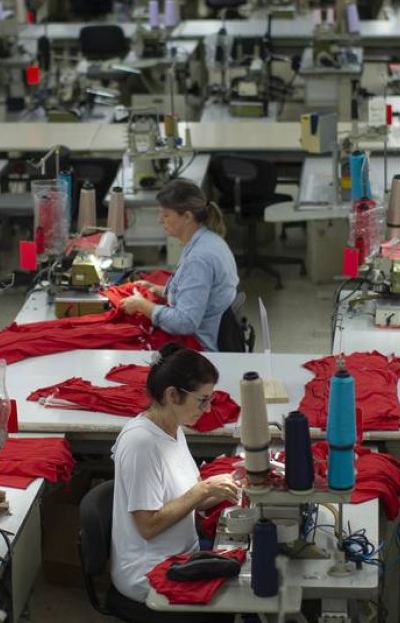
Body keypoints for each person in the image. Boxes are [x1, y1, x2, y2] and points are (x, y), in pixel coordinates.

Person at [110, 345, 240, 607]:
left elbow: (187, 500)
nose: (207, 408)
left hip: (181, 554)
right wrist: (203, 490)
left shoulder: (173, 429)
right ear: (172, 395)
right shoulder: (141, 444)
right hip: (149, 571)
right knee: (244, 593)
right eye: (202, 400)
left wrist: (230, 485)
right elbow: (148, 526)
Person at [120, 180, 239, 351]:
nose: (160, 220)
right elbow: (199, 295)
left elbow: (185, 323)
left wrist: (143, 306)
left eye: (166, 215)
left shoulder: (198, 259)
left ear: (188, 217)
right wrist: (158, 289)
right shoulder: (208, 240)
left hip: (199, 348)